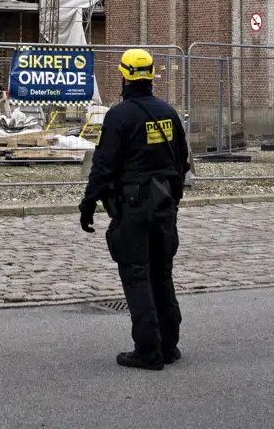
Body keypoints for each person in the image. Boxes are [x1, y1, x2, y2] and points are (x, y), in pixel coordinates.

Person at [80, 48, 191, 370]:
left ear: (124, 74)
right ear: (152, 74)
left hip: (134, 207)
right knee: (162, 274)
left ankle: (147, 350)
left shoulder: (119, 115)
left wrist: (88, 205)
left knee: (137, 276)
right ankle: (169, 345)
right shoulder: (168, 112)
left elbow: (103, 166)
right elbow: (181, 162)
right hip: (164, 205)